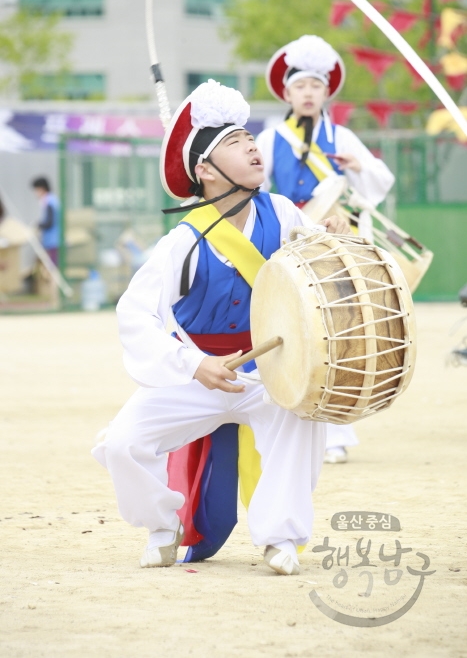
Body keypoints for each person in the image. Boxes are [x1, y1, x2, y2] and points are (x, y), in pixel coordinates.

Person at [92, 80, 348, 576]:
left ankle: (280, 537)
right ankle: (163, 524)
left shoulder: (283, 212)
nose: (253, 145)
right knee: (121, 443)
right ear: (205, 170)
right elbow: (134, 313)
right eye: (234, 142)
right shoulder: (182, 241)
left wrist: (332, 236)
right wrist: (193, 364)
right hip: (200, 373)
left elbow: (320, 266)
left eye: (250, 137)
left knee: (302, 418)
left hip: (269, 373)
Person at [256, 35, 396, 464]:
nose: (308, 93)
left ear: (325, 92)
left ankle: (335, 435)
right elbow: (255, 189)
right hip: (290, 244)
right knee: (288, 330)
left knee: (337, 333)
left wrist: (359, 167)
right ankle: (281, 426)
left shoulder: (343, 136)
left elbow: (379, 180)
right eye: (300, 86)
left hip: (336, 246)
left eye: (316, 86)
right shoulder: (269, 137)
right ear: (287, 92)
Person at [31, 176, 60, 266]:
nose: (35, 193)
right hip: (56, 240)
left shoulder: (49, 202)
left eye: (36, 190)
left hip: (53, 242)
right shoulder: (54, 200)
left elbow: (49, 222)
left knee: (52, 269)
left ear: (42, 189)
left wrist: (38, 225)